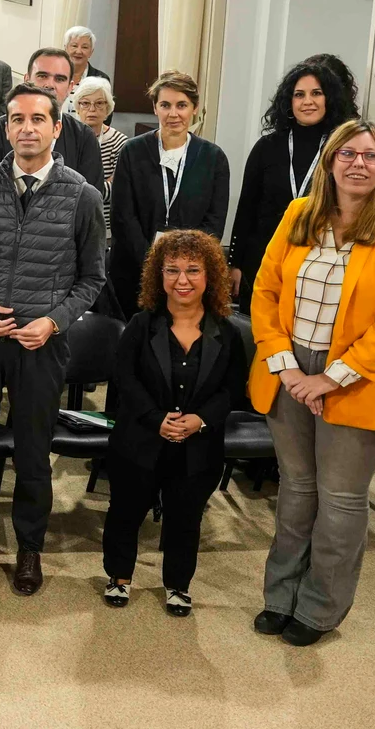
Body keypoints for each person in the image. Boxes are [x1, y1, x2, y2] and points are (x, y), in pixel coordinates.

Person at [248, 119, 375, 647]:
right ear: (330, 162)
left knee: (340, 501)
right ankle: (279, 597)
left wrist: (329, 378)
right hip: (290, 369)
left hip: (357, 377)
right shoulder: (298, 214)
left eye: (370, 156)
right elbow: (264, 292)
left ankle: (319, 607)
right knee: (296, 492)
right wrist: (285, 364)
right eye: (348, 154)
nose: (358, 163)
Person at [0, 84, 107, 596]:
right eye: (16, 119)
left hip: (42, 342)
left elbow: (93, 280)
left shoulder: (82, 194)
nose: (27, 128)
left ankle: (30, 550)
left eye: (38, 119)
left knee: (33, 453)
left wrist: (54, 321)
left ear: (58, 128)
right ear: (4, 128)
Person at [101, 230, 247, 617]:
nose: (182, 279)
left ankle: (178, 585)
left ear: (210, 276)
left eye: (193, 270)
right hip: (140, 440)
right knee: (125, 512)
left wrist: (201, 420)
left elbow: (233, 389)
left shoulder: (228, 333)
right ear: (158, 275)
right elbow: (124, 379)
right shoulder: (139, 325)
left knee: (185, 518)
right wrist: (154, 419)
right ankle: (118, 576)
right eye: (172, 269)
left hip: (198, 446)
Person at [228, 59, 359, 309]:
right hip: (262, 261)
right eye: (299, 95)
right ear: (289, 101)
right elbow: (246, 210)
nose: (307, 101)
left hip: (318, 264)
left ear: (329, 99)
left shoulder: (342, 150)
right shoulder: (267, 147)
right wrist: (234, 264)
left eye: (316, 93)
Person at [108, 71, 231, 315]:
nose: (173, 114)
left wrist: (181, 267)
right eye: (165, 105)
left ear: (194, 108)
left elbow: (214, 220)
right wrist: (154, 264)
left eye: (181, 105)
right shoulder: (132, 151)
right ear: (155, 108)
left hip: (189, 277)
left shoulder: (213, 158)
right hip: (135, 270)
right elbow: (123, 215)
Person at [0, 47, 106, 190]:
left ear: (70, 87)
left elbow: (89, 202)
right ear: (26, 80)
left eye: (60, 79)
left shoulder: (84, 137)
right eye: (42, 76)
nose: (49, 85)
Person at [71, 76, 129, 238]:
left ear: (108, 108)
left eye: (99, 103)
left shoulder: (120, 142)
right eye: (85, 103)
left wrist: (79, 189)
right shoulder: (66, 137)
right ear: (77, 107)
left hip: (105, 226)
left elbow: (119, 188)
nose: (92, 109)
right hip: (68, 223)